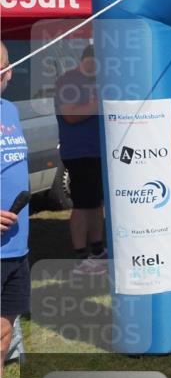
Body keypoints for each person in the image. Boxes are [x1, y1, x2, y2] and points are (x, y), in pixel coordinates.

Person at [0, 42, 38, 378]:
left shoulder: (10, 110)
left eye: (5, 68)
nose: (4, 75)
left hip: (16, 250)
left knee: (3, 339)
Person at [55, 45, 107, 275]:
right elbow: (70, 114)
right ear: (88, 59)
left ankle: (97, 250)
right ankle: (81, 257)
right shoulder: (68, 81)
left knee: (95, 203)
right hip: (79, 152)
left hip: (97, 151)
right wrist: (98, 104)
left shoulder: (97, 80)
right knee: (83, 205)